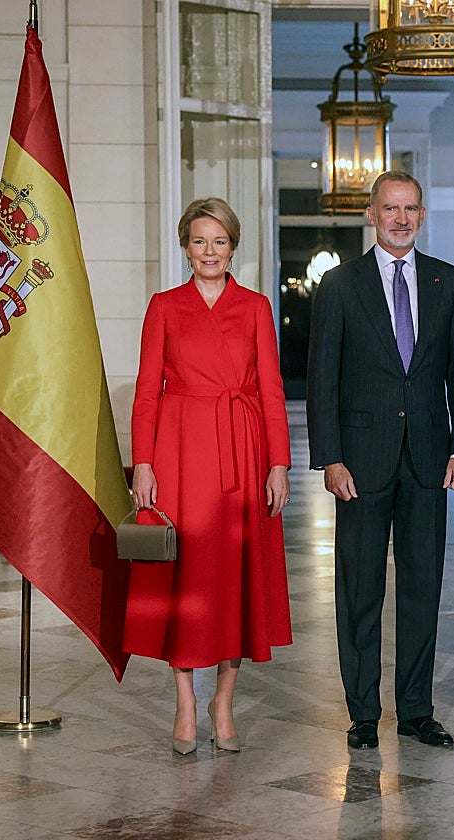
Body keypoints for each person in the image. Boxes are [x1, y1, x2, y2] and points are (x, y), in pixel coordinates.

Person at [306, 170, 454, 750]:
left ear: (422, 216)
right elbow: (321, 378)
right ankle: (361, 712)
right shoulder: (339, 285)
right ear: (371, 215)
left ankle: (415, 710)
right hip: (359, 461)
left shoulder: (448, 282)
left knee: (423, 586)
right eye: (390, 208)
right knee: (359, 590)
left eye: (410, 209)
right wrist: (329, 457)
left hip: (430, 458)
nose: (400, 218)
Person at [126, 197, 292, 755]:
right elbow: (147, 390)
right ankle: (184, 701)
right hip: (178, 454)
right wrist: (143, 463)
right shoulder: (165, 307)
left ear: (233, 247)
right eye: (199, 241)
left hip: (242, 455)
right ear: (185, 246)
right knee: (185, 577)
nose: (209, 252)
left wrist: (278, 464)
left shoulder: (256, 307)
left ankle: (223, 700)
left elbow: (272, 390)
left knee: (234, 579)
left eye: (219, 241)